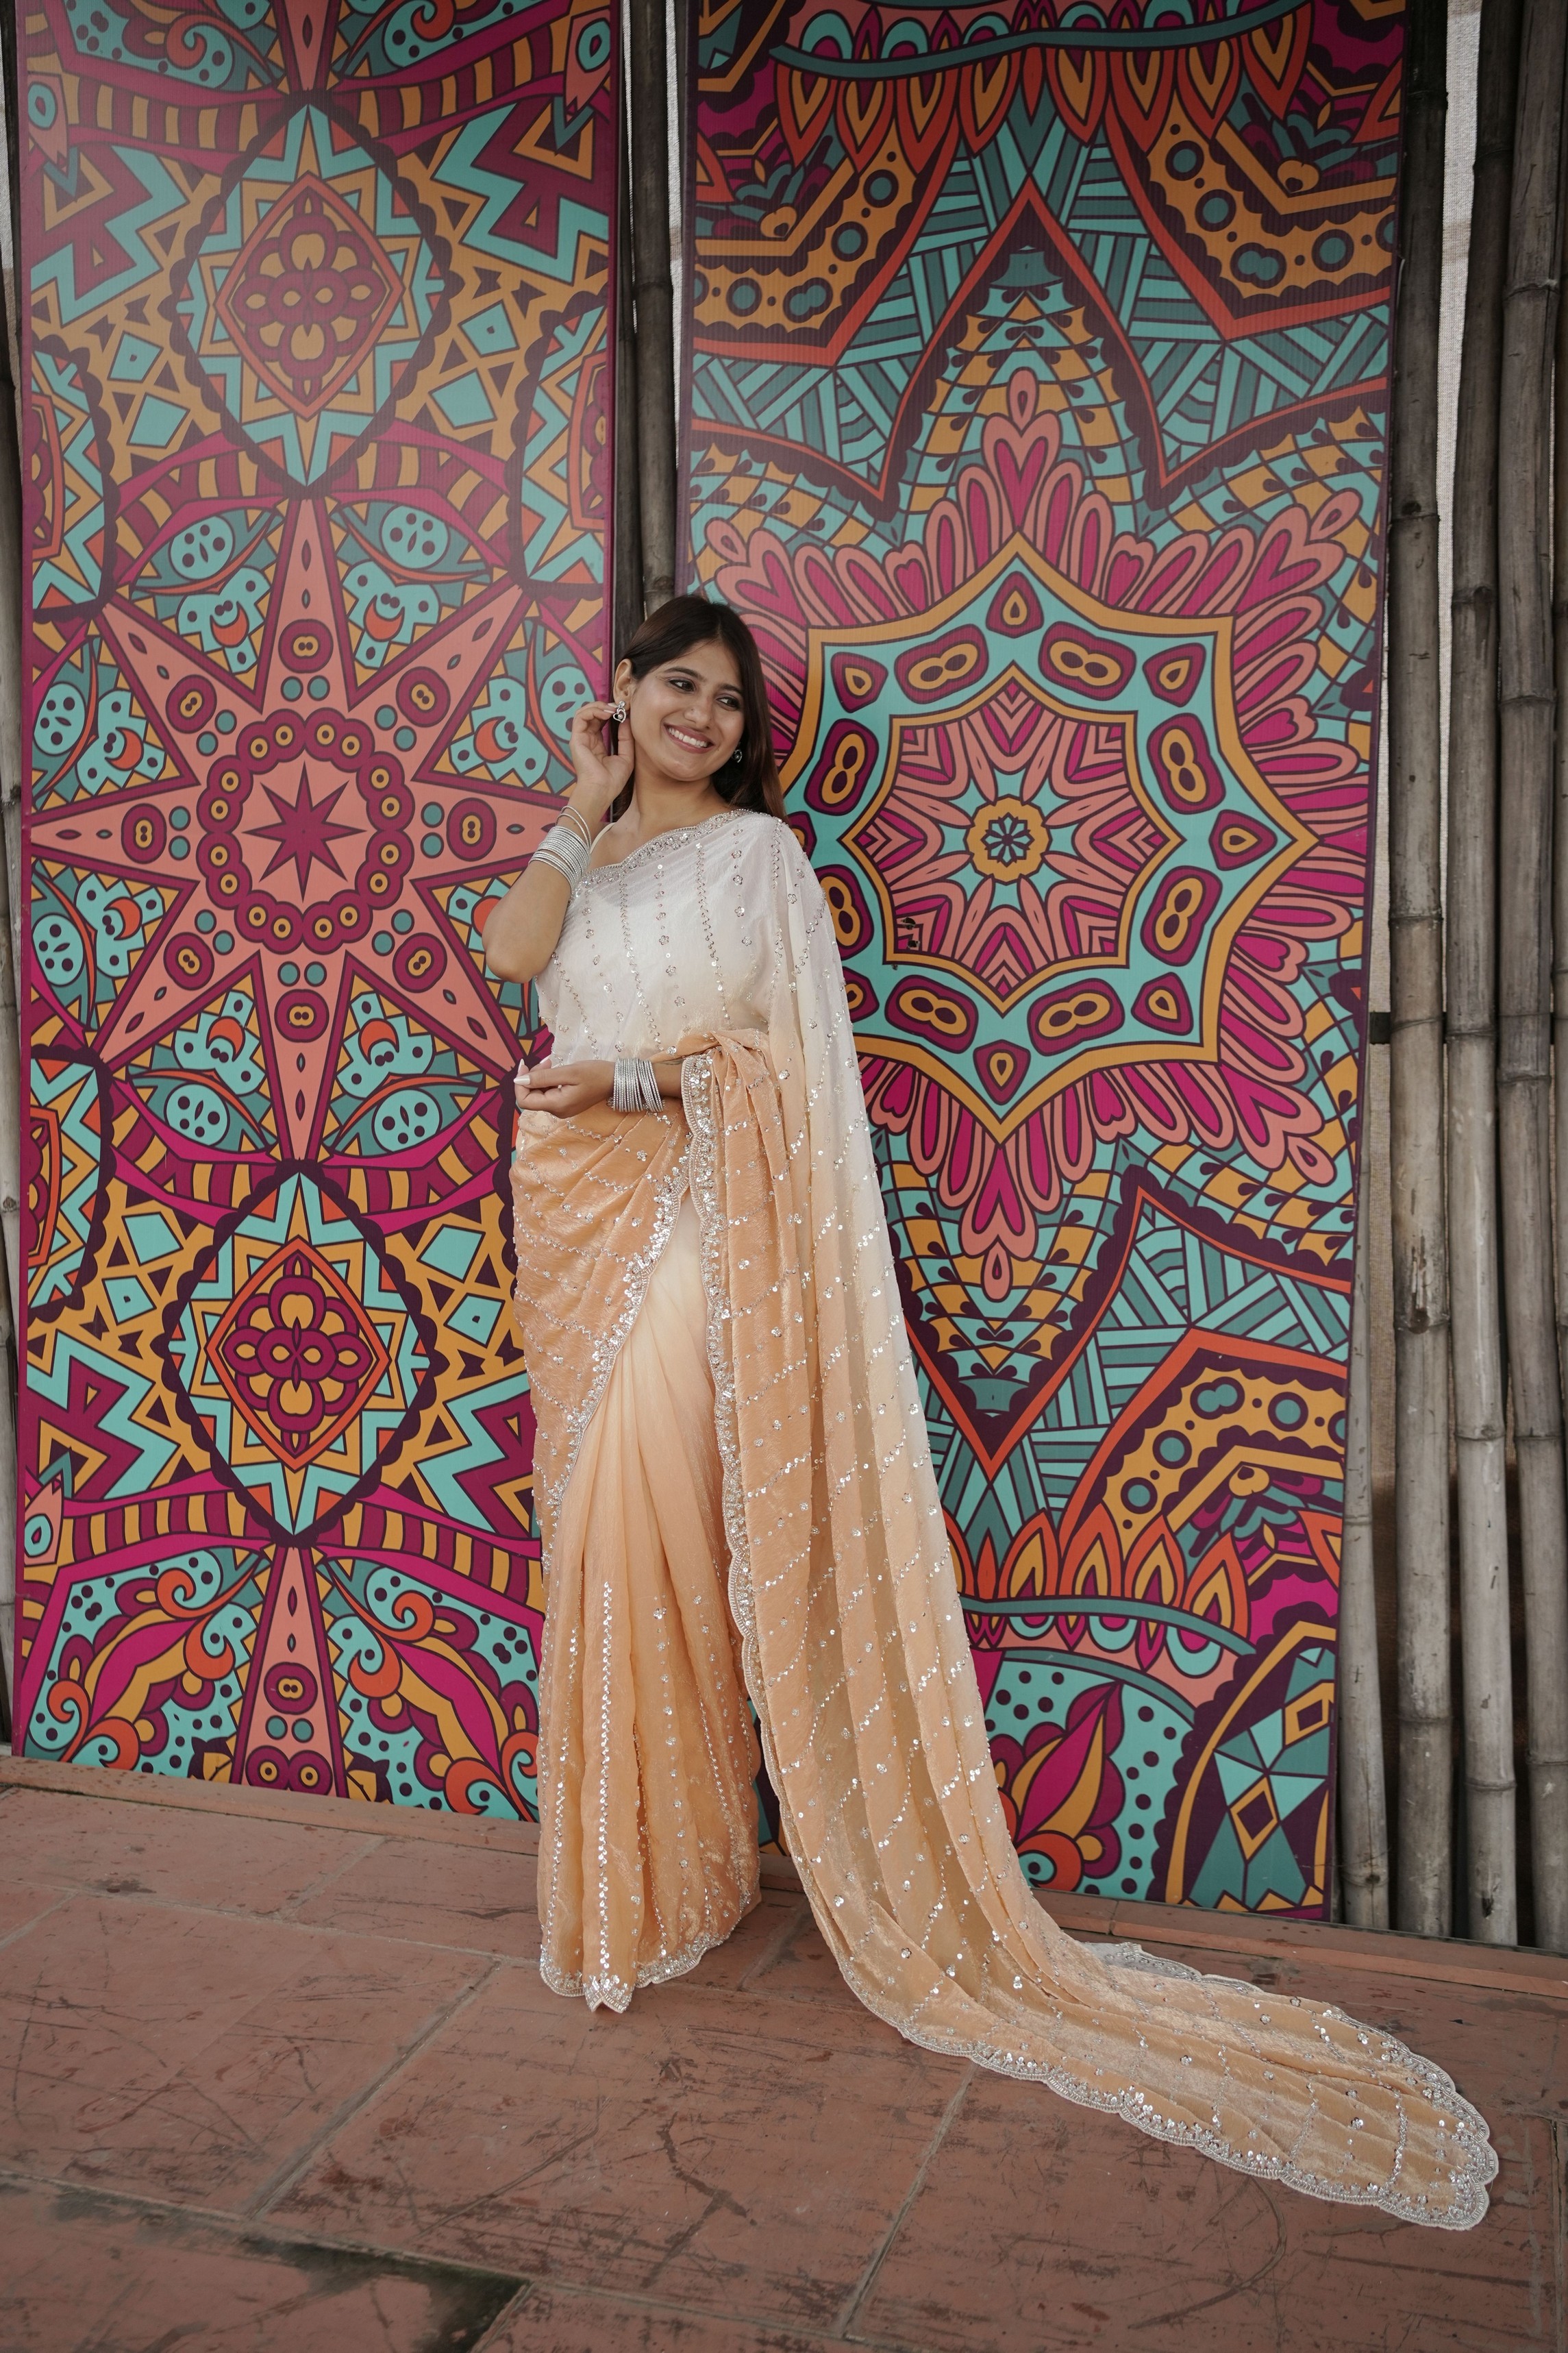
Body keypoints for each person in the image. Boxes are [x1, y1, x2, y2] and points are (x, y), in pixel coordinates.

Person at [483, 594, 1495, 2230]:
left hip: (687, 1226)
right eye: (677, 686)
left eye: (726, 702)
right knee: (599, 1545)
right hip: (573, 1224)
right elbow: (512, 957)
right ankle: (654, 1881)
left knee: (645, 1542)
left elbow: (789, 1073)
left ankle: (653, 1883)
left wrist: (638, 1081)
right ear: (622, 693)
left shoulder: (756, 860)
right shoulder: (586, 856)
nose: (702, 718)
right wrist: (578, 805)